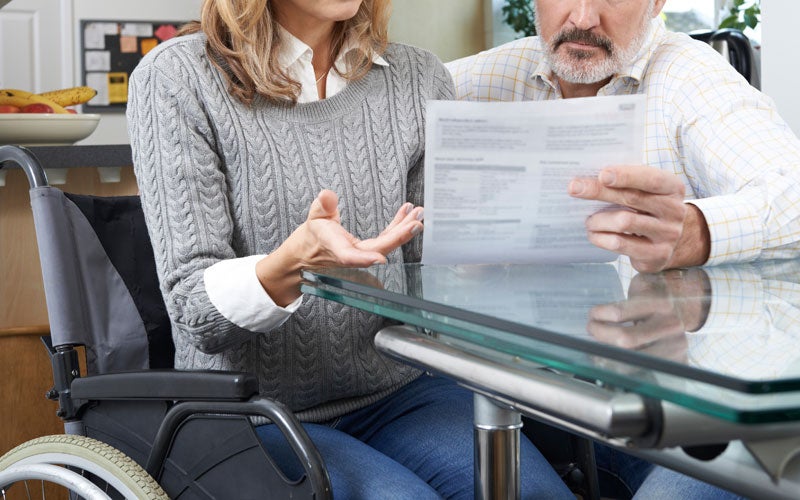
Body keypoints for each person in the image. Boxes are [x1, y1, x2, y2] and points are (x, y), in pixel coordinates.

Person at [127, 0, 574, 498]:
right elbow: (194, 311)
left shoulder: (418, 76)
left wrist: (485, 251)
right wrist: (292, 265)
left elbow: (436, 275)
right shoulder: (175, 78)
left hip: (399, 392)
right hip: (248, 412)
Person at [446, 0, 800, 497]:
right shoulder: (485, 77)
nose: (584, 18)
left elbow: (794, 191)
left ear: (657, 3)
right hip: (535, 397)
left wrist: (696, 230)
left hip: (688, 412)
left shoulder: (689, 76)